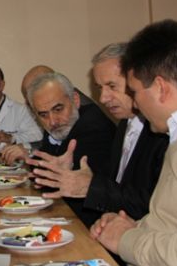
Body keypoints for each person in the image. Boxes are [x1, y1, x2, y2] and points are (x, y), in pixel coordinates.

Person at [90, 20, 177, 266]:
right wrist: (133, 227)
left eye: (134, 91)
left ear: (160, 88)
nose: (135, 103)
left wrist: (125, 238)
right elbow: (170, 222)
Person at [29, 43, 167, 220]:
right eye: (100, 88)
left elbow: (158, 207)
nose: (102, 98)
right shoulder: (125, 124)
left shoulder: (162, 131)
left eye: (112, 86)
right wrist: (70, 172)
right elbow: (116, 185)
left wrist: (91, 187)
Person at [25, 72, 116, 226]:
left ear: (75, 100)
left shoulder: (93, 126)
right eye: (43, 115)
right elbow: (40, 171)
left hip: (93, 225)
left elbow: (48, 181)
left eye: (58, 109)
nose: (53, 121)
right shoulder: (62, 126)